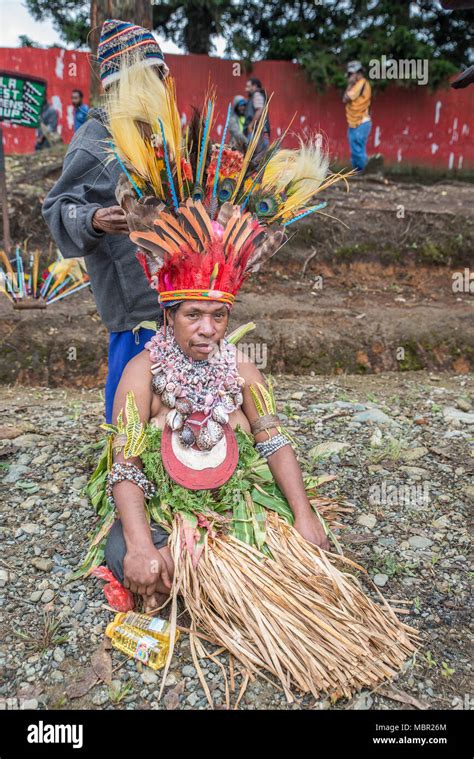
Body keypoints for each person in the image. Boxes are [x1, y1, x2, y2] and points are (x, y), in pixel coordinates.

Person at [72, 64, 418, 703]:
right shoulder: (142, 372)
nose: (207, 329)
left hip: (234, 498)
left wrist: (306, 515)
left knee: (297, 547)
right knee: (141, 563)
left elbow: (272, 440)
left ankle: (320, 632)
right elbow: (124, 464)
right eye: (194, 315)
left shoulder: (243, 367)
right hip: (171, 504)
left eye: (219, 315)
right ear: (169, 313)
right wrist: (146, 542)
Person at [42, 19, 169, 424]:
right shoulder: (96, 136)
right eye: (155, 75)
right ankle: (124, 456)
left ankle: (183, 457)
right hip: (132, 294)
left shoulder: (161, 131)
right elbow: (58, 206)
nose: (166, 81)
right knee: (134, 382)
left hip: (176, 287)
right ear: (132, 82)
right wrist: (94, 218)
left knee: (177, 388)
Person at [342, 60, 372, 171]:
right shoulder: (355, 86)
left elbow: (346, 98)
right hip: (354, 122)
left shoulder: (362, 83)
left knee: (358, 149)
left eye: (351, 74)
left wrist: (350, 83)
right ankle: (358, 172)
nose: (349, 77)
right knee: (355, 150)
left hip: (361, 121)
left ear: (356, 72)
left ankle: (365, 172)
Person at [244, 77, 270, 160]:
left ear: (254, 86)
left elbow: (259, 110)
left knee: (253, 160)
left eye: (248, 86)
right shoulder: (256, 96)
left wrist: (250, 125)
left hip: (257, 133)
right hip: (257, 133)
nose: (246, 89)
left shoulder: (257, 94)